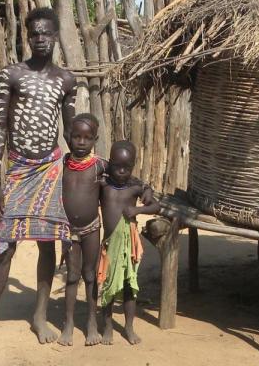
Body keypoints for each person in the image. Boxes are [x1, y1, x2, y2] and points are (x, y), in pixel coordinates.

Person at [0, 7, 77, 353]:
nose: (41, 39)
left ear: (55, 36)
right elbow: (0, 126)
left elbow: (71, 131)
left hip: (50, 168)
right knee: (4, 245)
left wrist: (88, 170)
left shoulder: (66, 80)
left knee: (47, 242)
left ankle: (39, 315)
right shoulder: (12, 75)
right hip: (19, 170)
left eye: (46, 33)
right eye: (35, 33)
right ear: (28, 36)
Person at [97, 141, 159, 345]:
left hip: (128, 246)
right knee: (107, 286)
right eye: (117, 166)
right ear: (109, 163)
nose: (122, 171)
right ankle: (107, 327)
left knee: (128, 286)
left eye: (127, 167)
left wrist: (138, 211)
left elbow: (155, 206)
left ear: (133, 165)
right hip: (108, 244)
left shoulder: (135, 187)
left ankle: (129, 327)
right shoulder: (103, 185)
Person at [58, 113, 107, 346]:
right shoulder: (62, 164)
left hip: (91, 229)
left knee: (90, 275)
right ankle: (67, 323)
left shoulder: (100, 166)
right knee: (72, 276)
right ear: (68, 137)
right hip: (68, 230)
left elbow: (123, 180)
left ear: (95, 139)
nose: (81, 142)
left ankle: (91, 322)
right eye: (76, 136)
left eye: (87, 138)